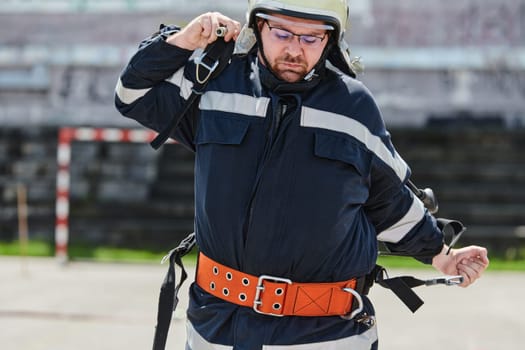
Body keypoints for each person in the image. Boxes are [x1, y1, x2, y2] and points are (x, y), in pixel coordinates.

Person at [115, 1, 489, 349]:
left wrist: (442, 255)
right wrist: (182, 41)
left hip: (325, 334)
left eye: (311, 37)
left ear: (331, 40)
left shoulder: (353, 107)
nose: (295, 49)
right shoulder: (215, 86)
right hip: (216, 328)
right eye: (281, 33)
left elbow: (390, 201)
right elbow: (132, 94)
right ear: (257, 27)